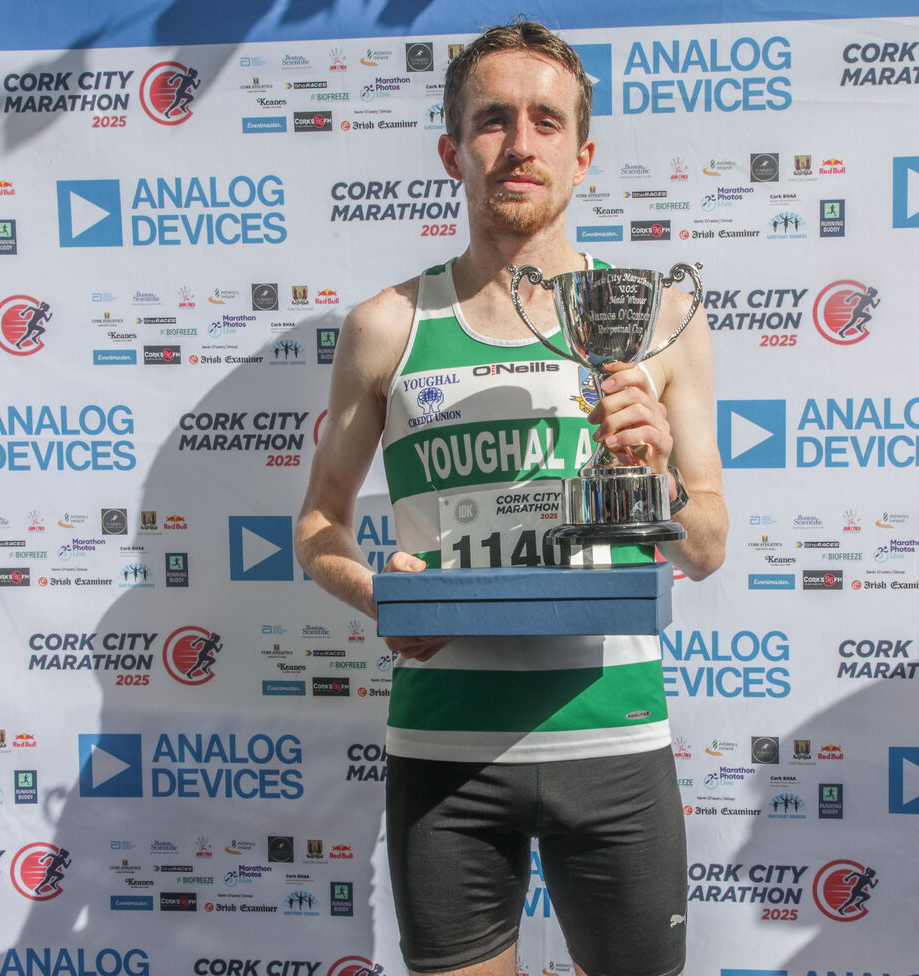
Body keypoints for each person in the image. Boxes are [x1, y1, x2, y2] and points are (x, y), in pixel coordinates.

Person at [296, 21, 727, 976]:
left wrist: (654, 477)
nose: (520, 144)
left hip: (613, 742)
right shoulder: (387, 326)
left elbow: (705, 547)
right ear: (452, 150)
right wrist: (381, 593)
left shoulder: (655, 319)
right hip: (445, 750)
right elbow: (319, 523)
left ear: (583, 156)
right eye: (493, 120)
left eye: (546, 121)